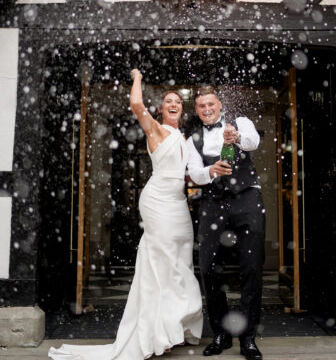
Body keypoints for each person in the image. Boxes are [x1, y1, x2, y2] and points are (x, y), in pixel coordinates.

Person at [49, 69, 203, 360]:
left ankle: (171, 326)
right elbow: (136, 105)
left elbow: (193, 173)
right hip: (158, 201)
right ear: (161, 108)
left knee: (181, 261)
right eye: (168, 101)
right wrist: (137, 77)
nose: (173, 104)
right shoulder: (156, 129)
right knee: (162, 263)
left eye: (178, 102)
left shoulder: (183, 137)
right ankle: (157, 332)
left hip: (179, 203)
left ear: (182, 108)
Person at [187, 87, 265, 360]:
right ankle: (220, 333)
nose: (206, 109)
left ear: (220, 104)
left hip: (247, 199)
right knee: (208, 268)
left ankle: (248, 338)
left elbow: (253, 142)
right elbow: (195, 174)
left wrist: (237, 137)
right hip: (212, 202)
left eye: (210, 103)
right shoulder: (192, 138)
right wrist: (211, 170)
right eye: (201, 106)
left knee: (251, 267)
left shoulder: (240, 122)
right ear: (196, 110)